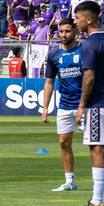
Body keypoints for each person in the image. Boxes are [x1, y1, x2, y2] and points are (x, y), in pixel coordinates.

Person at [72, 1, 104, 206]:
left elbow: (89, 76)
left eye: (78, 17)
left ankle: (97, 200)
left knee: (96, 148)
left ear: (89, 19)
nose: (76, 22)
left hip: (97, 103)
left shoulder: (88, 44)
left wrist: (82, 105)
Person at [41, 18, 82, 192]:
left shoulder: (85, 50)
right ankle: (69, 181)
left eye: (67, 31)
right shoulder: (54, 54)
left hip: (85, 105)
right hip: (65, 105)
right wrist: (45, 107)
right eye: (61, 31)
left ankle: (101, 180)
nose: (64, 34)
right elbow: (49, 81)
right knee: (64, 142)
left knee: (96, 145)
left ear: (76, 32)